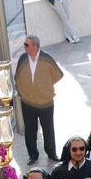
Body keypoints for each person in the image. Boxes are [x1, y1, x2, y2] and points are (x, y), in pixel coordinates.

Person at [15, 35, 63, 166]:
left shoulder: (46, 58)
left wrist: (45, 86)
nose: (24, 47)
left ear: (35, 46)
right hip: (28, 102)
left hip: (45, 101)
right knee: (30, 130)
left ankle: (51, 153)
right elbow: (17, 77)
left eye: (27, 45)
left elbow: (59, 74)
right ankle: (32, 155)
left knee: (48, 128)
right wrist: (22, 92)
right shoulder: (23, 59)